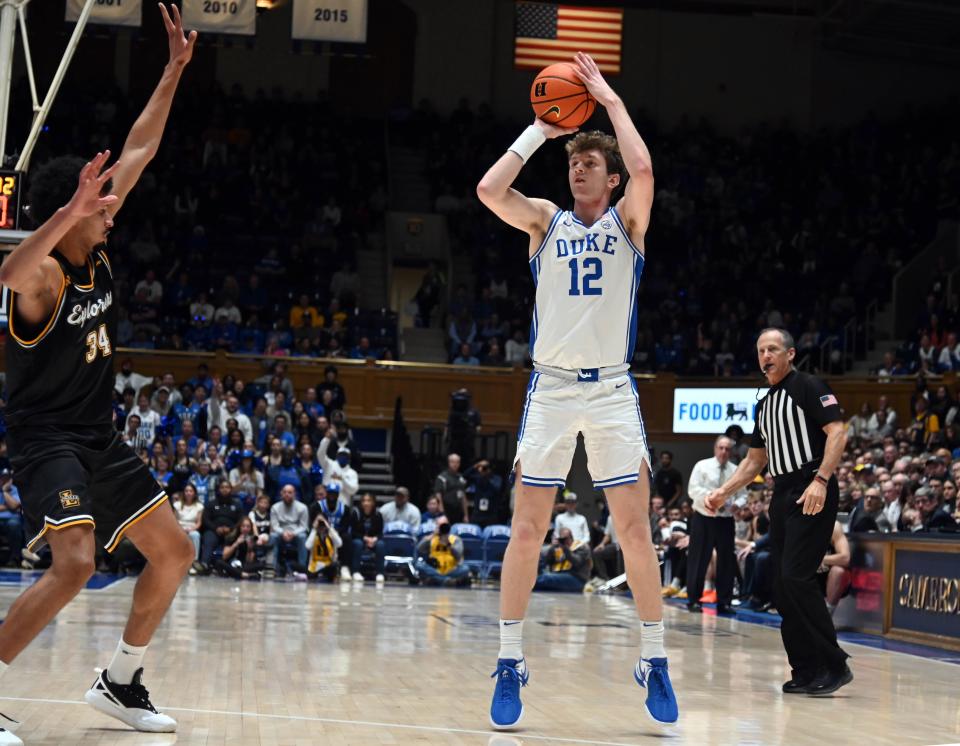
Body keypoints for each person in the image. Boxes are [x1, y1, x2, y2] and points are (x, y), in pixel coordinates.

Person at [0, 6, 195, 741]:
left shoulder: (97, 249)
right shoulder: (45, 272)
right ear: (72, 210)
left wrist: (172, 71)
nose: (113, 211)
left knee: (175, 551)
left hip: (97, 436)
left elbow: (141, 145)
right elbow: (10, 269)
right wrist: (64, 211)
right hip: (47, 439)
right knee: (75, 561)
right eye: (99, 206)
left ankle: (119, 681)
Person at [476, 52, 676, 727]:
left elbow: (646, 169)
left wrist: (607, 101)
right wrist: (540, 129)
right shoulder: (544, 219)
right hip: (553, 390)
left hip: (613, 391)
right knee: (526, 530)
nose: (578, 168)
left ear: (610, 178)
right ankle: (509, 660)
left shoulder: (627, 223)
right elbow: (487, 190)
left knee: (634, 532)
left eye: (590, 164)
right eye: (574, 162)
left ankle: (654, 656)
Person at [706, 328, 852, 696]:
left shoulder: (809, 385)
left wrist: (820, 479)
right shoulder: (765, 404)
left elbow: (837, 432)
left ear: (790, 354)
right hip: (782, 492)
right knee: (783, 586)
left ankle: (834, 663)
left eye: (773, 349)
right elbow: (755, 460)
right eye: (760, 350)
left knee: (797, 576)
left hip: (811, 485)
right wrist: (724, 491)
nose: (765, 355)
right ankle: (805, 668)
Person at [685, 436, 743, 615]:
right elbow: (692, 489)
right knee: (699, 558)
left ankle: (724, 602)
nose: (724, 452)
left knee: (726, 560)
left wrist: (737, 504)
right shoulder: (702, 466)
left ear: (731, 452)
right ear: (715, 448)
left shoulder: (737, 470)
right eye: (721, 448)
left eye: (727, 449)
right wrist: (713, 497)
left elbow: (744, 494)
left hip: (725, 520)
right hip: (704, 517)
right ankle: (694, 599)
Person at [413, 517, 471, 586]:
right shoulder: (432, 538)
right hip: (435, 569)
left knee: (465, 568)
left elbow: (458, 555)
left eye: (444, 525)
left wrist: (449, 545)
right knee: (418, 565)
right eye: (440, 526)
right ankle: (446, 580)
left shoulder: (456, 539)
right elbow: (419, 549)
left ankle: (438, 579)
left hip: (451, 569)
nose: (442, 528)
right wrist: (432, 536)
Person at [534, 527, 591, 592]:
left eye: (565, 538)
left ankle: (526, 584)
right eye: (561, 539)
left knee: (544, 578)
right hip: (558, 576)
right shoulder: (557, 548)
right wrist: (552, 548)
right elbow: (547, 562)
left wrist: (565, 549)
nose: (564, 541)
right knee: (540, 587)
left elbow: (577, 562)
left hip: (576, 578)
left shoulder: (581, 547)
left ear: (571, 537)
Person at [269, 484, 309, 577]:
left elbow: (304, 526)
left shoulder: (302, 507)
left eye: (290, 492)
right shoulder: (275, 507)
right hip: (280, 533)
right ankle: (271, 568)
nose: (287, 494)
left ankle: (301, 570)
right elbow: (274, 526)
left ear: (294, 494)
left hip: (296, 534)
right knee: (273, 536)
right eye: (285, 492)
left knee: (302, 537)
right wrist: (283, 532)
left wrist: (293, 533)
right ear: (281, 494)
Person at [349, 493, 385, 583]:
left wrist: (375, 539)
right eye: (364, 500)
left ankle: (380, 573)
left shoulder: (378, 514)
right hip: (359, 539)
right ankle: (355, 572)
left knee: (381, 544)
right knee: (358, 543)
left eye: (369, 501)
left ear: (373, 502)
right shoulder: (356, 513)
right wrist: (365, 538)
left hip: (373, 540)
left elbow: (380, 532)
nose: (366, 503)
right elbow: (353, 532)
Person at [819, 522, 851, 616]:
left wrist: (818, 559)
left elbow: (846, 558)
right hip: (806, 579)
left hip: (828, 579)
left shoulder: (834, 526)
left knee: (839, 571)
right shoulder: (799, 525)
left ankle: (826, 615)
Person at [434, 453, 469, 525]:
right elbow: (438, 495)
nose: (455, 464)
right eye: (453, 462)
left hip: (458, 511)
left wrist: (466, 515)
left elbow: (463, 497)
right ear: (449, 463)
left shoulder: (461, 478)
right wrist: (442, 513)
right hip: (446, 510)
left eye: (457, 462)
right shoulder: (442, 477)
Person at [173, 484, 203, 562]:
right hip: (179, 528)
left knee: (196, 535)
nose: (188, 493)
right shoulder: (177, 505)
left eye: (191, 491)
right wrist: (180, 529)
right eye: (186, 491)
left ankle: (194, 561)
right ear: (184, 493)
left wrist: (191, 529)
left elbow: (199, 523)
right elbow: (174, 520)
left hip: (192, 528)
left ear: (194, 493)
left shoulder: (199, 506)